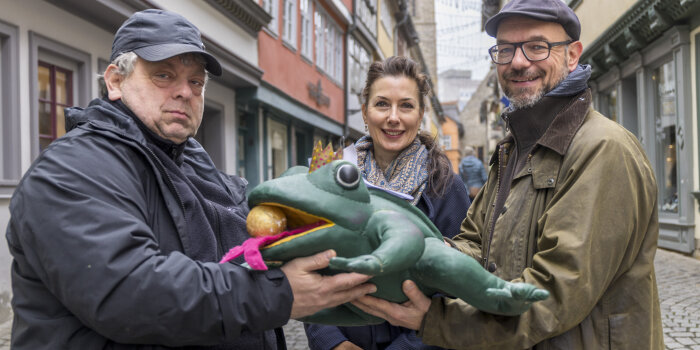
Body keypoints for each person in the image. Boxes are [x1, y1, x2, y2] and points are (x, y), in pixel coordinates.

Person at [5, 9, 376, 349]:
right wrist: (279, 293)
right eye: (163, 75)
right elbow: (132, 294)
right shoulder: (73, 167)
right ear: (115, 81)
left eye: (196, 82)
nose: (185, 91)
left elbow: (251, 253)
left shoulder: (194, 161)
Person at [350, 0, 664, 348]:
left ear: (573, 54)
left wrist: (436, 319)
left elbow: (551, 294)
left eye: (536, 47)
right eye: (505, 49)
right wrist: (427, 251)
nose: (517, 61)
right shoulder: (515, 149)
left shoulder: (603, 149)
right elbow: (475, 242)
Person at [304, 56, 470, 349]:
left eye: (406, 105)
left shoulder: (445, 186)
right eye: (382, 104)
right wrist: (331, 341)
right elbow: (310, 263)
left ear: (420, 117)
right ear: (366, 113)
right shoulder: (332, 174)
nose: (393, 117)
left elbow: (456, 286)